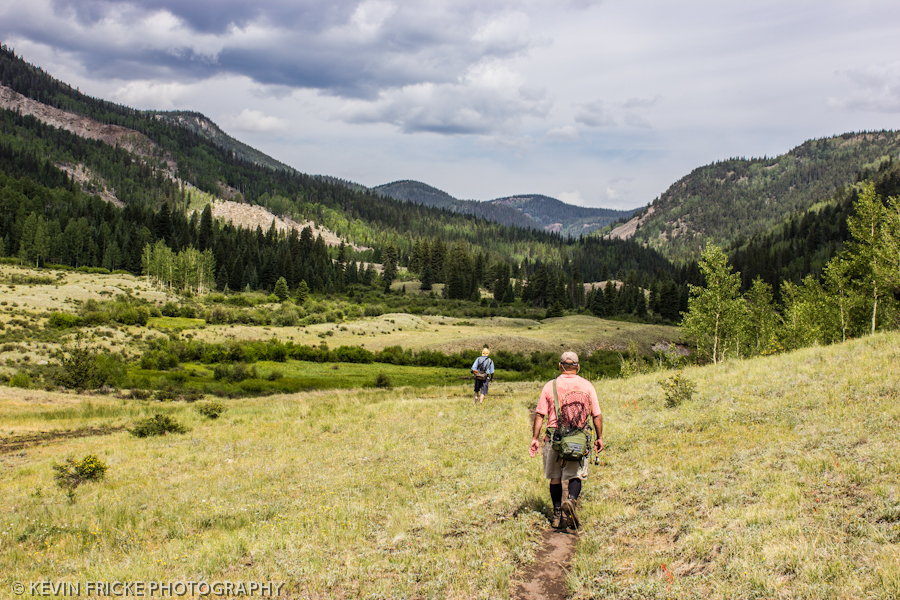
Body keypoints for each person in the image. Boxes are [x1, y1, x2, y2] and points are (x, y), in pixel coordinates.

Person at [529, 351, 604, 530]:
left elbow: (540, 414)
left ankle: (556, 514)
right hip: (578, 438)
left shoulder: (550, 386)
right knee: (576, 474)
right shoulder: (587, 385)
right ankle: (571, 501)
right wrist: (599, 438)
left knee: (555, 477)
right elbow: (597, 415)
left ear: (560, 366)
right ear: (577, 366)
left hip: (554, 437)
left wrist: (535, 438)